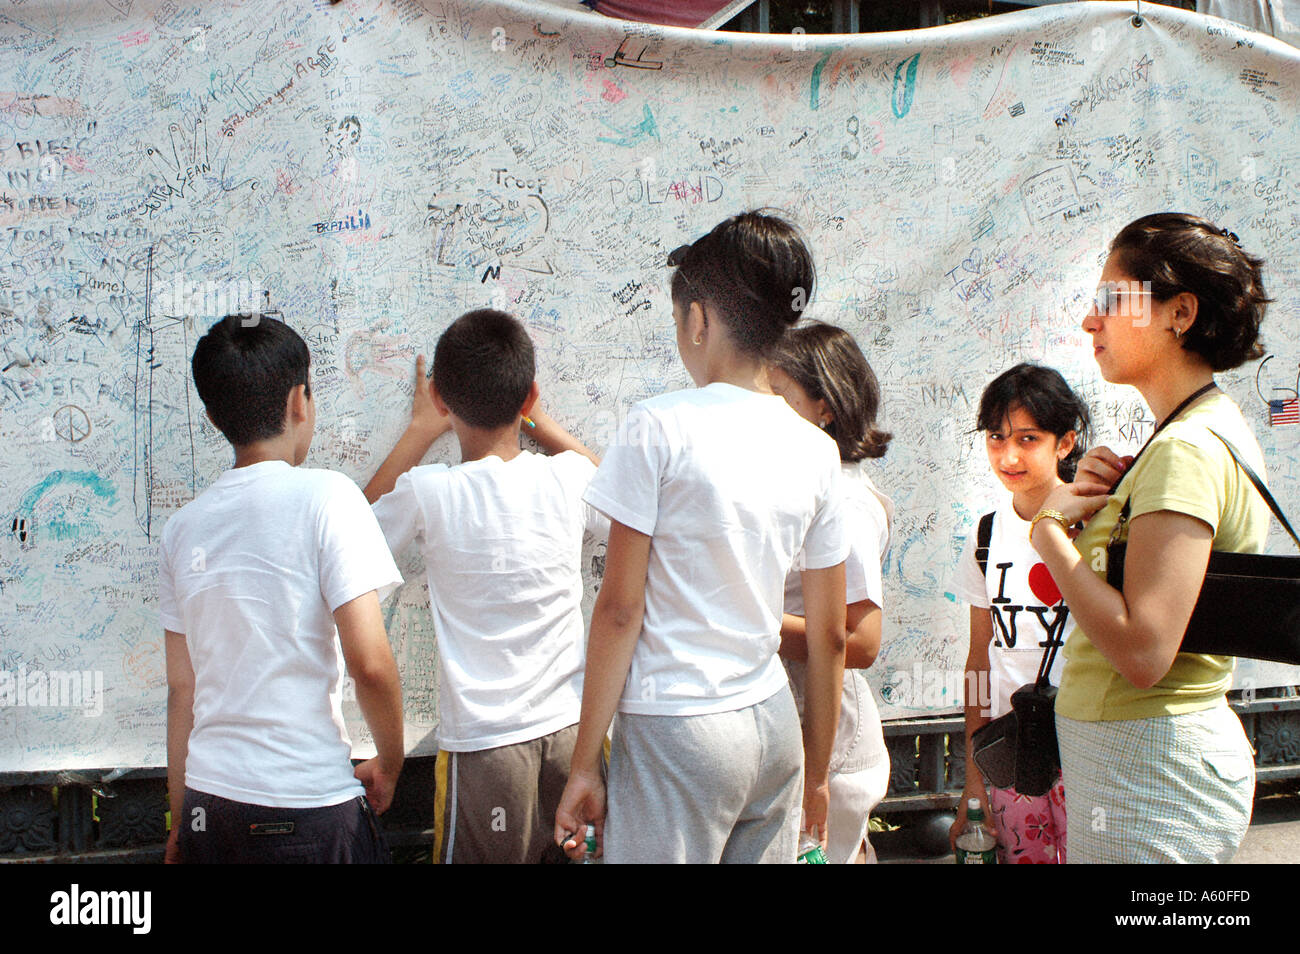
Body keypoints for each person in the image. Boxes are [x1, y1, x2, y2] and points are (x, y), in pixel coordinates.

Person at [553, 209, 849, 864]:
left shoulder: (657, 426)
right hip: (773, 727)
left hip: (678, 729)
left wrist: (582, 767)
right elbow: (829, 634)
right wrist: (820, 774)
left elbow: (621, 608)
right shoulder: (815, 451)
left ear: (696, 320)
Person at [1030, 213, 1272, 863]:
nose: (1090, 321)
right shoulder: (1187, 436)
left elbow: (1143, 651)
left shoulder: (1186, 449)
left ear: (1180, 313)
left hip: (1148, 774)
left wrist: (1049, 535)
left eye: (1111, 300)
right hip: (1142, 768)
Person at [365, 308, 606, 864]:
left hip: (486, 753)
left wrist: (420, 430)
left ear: (441, 399)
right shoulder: (568, 476)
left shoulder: (431, 492)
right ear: (529, 397)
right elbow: (624, 502)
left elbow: (352, 532)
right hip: (574, 742)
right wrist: (543, 426)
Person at [162, 314, 404, 864]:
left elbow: (183, 691)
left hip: (212, 806)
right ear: (300, 401)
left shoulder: (182, 531)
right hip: (310, 806)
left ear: (213, 417)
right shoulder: (328, 497)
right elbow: (370, 663)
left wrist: (182, 822)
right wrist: (390, 763)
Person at [949, 363, 1091, 863]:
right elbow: (978, 661)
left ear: (1065, 442)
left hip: (1089, 749)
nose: (1008, 455)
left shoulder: (1097, 526)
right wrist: (974, 778)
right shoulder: (985, 537)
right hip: (1013, 757)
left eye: (1028, 438)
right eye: (996, 436)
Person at [767, 321, 894, 864]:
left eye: (778, 397)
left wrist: (746, 622)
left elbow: (862, 642)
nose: (764, 413)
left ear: (826, 407)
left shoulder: (843, 498)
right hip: (805, 732)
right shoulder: (812, 486)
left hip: (832, 752)